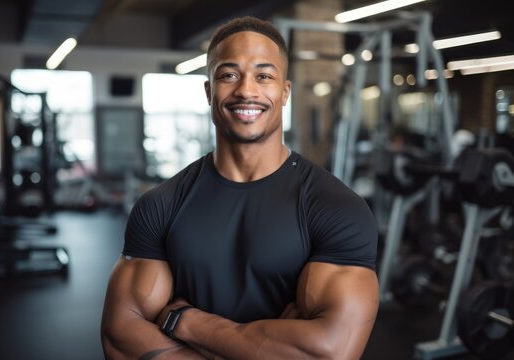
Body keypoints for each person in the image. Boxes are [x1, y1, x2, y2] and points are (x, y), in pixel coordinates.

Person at [101, 16, 379, 360]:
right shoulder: (161, 205)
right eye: (229, 75)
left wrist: (186, 322)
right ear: (209, 91)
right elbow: (119, 339)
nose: (247, 90)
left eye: (264, 76)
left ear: (285, 92)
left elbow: (328, 353)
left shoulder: (335, 208)